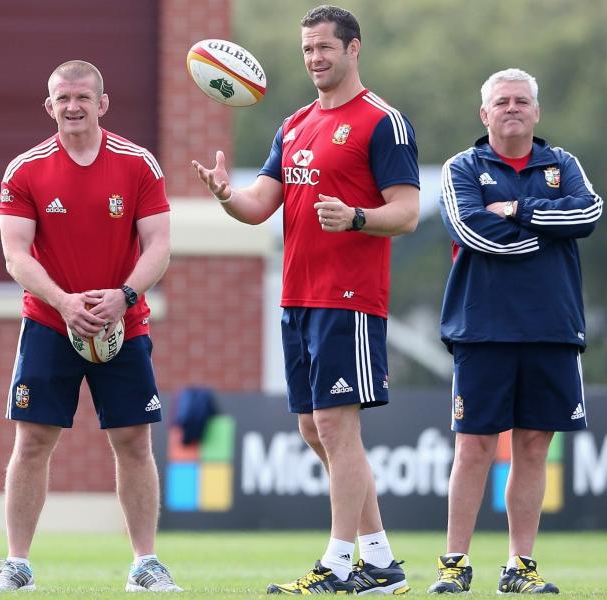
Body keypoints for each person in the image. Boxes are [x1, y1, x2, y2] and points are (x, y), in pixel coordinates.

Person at [193, 5, 419, 595]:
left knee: (334, 428)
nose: (315, 59)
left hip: (350, 298)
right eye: (307, 50)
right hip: (299, 297)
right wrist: (223, 195)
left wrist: (357, 217)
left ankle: (340, 565)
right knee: (314, 431)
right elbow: (258, 206)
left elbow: (408, 212)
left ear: (353, 49)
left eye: (325, 48)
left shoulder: (383, 122)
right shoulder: (293, 124)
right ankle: (380, 561)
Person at [0, 60, 180, 593]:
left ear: (102, 103)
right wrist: (63, 302)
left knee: (134, 441)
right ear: (49, 106)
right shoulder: (24, 169)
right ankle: (16, 565)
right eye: (62, 99)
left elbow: (159, 246)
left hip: (125, 324)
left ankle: (146, 564)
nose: (73, 107)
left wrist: (124, 297)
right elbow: (15, 255)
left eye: (82, 98)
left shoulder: (138, 164)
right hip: (50, 323)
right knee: (31, 442)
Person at [429, 68, 602, 595]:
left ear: (536, 111)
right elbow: (470, 229)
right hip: (483, 329)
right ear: (484, 114)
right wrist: (544, 233)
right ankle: (454, 564)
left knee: (532, 447)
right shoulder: (463, 166)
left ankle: (519, 567)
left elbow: (589, 213)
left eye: (521, 100)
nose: (512, 108)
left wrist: (520, 209)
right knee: (475, 446)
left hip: (552, 327)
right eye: (501, 101)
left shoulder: (563, 163)